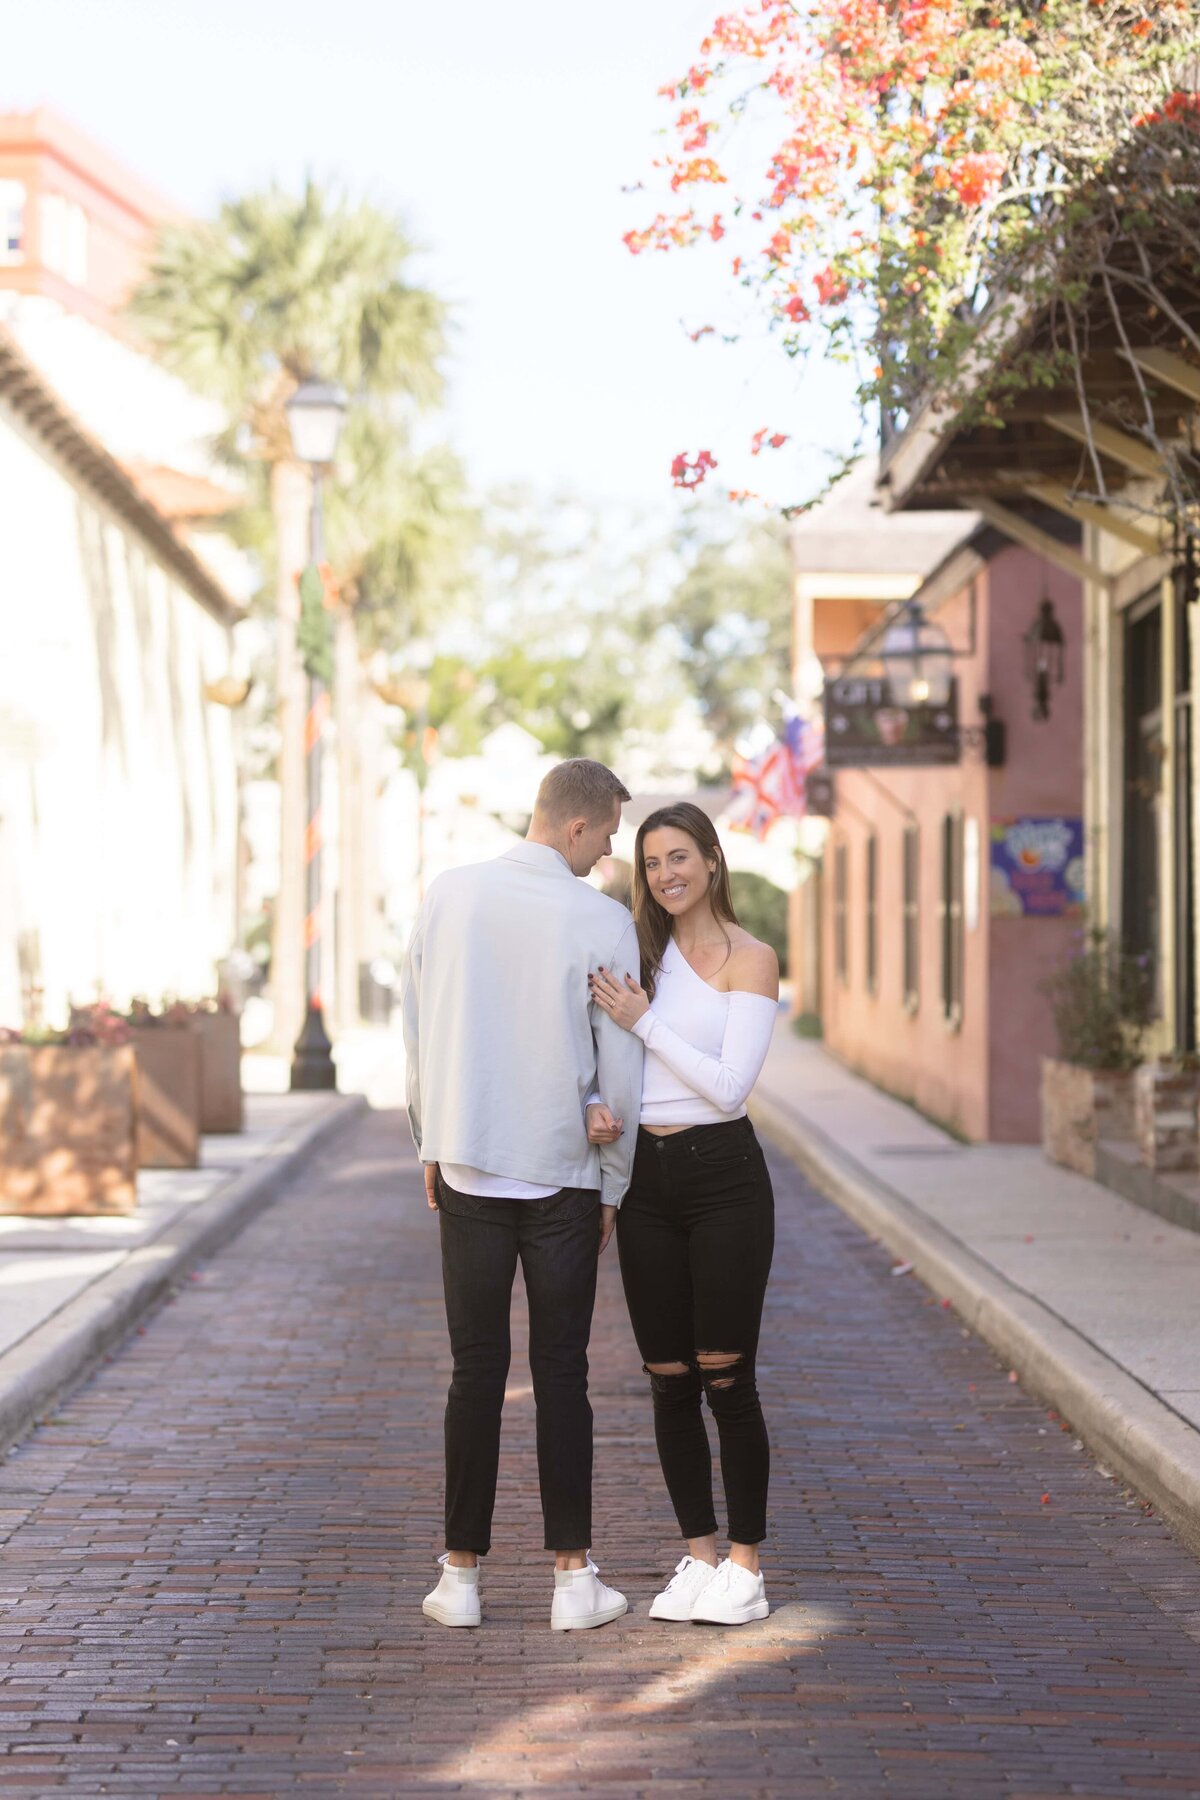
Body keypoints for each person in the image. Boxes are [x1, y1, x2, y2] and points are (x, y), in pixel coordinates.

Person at [400, 758, 644, 1632]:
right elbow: (621, 1060)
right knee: (562, 1371)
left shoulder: (449, 894)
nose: (610, 852)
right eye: (609, 835)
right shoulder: (603, 920)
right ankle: (573, 1582)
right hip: (562, 1173)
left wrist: (430, 1137)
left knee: (475, 1370)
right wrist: (616, 1177)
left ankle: (459, 1579)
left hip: (467, 1162)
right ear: (575, 827)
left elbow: (417, 1020)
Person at [587, 801, 778, 1626]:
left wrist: (648, 1021)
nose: (666, 875)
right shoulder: (634, 954)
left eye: (679, 857)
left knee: (725, 1375)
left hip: (724, 1176)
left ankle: (747, 1565)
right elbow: (597, 1047)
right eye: (651, 862)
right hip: (645, 1184)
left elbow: (730, 1087)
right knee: (668, 1380)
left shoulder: (751, 958)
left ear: (711, 858)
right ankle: (699, 1555)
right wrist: (595, 1099)